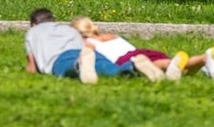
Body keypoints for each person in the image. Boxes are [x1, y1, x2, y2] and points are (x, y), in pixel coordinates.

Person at [71, 16, 206, 82]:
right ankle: (204, 58)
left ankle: (171, 64)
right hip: (142, 51)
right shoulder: (110, 36)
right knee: (184, 70)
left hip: (129, 59)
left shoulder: (87, 43)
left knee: (161, 65)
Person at [24, 8, 129, 84]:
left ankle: (79, 66)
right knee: (108, 66)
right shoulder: (68, 29)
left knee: (71, 67)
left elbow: (32, 65)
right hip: (81, 52)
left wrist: (29, 75)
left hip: (59, 59)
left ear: (33, 24)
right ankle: (131, 66)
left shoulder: (33, 31)